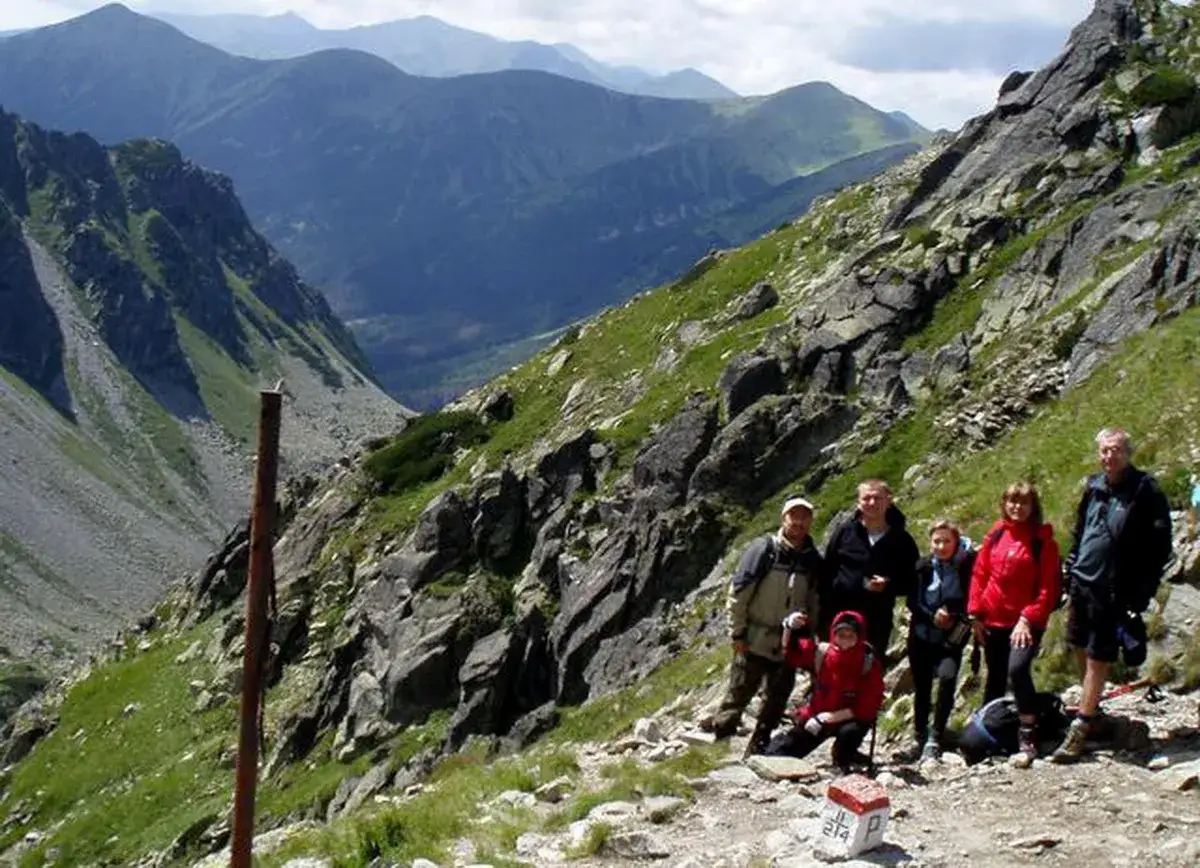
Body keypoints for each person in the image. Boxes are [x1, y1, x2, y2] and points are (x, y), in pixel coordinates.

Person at [1052, 428, 1173, 763]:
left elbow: (1160, 545)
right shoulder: (1094, 486)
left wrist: (1141, 593)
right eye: (1105, 450)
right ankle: (1094, 710)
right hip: (1082, 581)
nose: (1110, 456)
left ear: (1128, 453)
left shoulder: (1145, 491)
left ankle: (1082, 724)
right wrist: (1071, 565)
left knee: (1098, 654)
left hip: (1114, 589)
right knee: (1078, 642)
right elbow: (1081, 529)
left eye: (1116, 450)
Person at [701, 494, 825, 753]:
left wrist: (810, 637)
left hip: (788, 643)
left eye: (805, 517)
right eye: (794, 516)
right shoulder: (764, 550)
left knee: (777, 699)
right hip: (753, 637)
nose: (799, 522)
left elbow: (814, 601)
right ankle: (719, 746)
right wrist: (737, 635)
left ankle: (758, 747)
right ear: (784, 518)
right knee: (738, 694)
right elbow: (739, 595)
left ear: (811, 522)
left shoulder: (813, 559)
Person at [967, 481, 1061, 769]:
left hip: (1025, 621)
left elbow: (1049, 590)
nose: (1016, 507)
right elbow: (980, 574)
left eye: (1023, 502)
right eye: (1011, 501)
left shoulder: (1042, 542)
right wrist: (975, 614)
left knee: (1017, 670)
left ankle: (1027, 733)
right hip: (993, 618)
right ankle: (987, 733)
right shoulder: (996, 534)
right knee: (994, 674)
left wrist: (1027, 618)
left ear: (1033, 508)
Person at [765, 610, 884, 772]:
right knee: (776, 754)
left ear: (860, 636)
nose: (845, 640)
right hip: (816, 716)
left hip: (844, 718)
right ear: (833, 634)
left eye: (851, 635)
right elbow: (792, 653)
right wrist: (788, 627)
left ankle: (844, 756)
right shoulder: (823, 653)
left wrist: (827, 718)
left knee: (852, 731)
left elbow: (866, 708)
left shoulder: (868, 662)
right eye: (841, 635)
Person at [821, 479, 920, 660]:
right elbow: (827, 572)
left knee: (869, 671)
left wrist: (888, 585)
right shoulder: (844, 533)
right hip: (841, 616)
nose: (872, 503)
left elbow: (913, 580)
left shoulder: (902, 540)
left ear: (889, 502)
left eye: (878, 498)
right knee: (836, 671)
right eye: (866, 498)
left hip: (878, 620)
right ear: (859, 503)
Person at [907, 520, 976, 760]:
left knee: (947, 679)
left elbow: (971, 597)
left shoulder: (966, 566)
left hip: (951, 638)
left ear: (956, 542)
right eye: (937, 541)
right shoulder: (922, 566)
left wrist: (952, 612)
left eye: (947, 541)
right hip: (921, 636)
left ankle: (936, 735)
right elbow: (912, 602)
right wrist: (932, 615)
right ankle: (919, 734)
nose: (941, 546)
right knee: (922, 687)